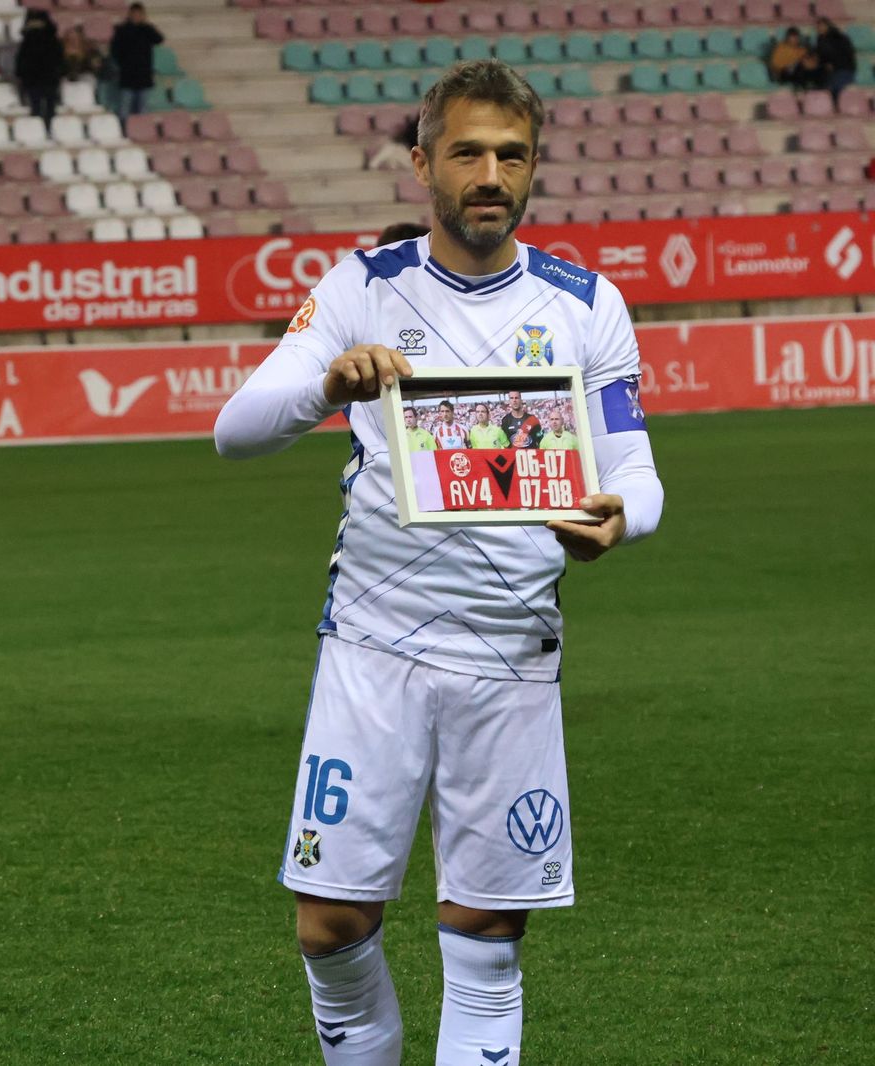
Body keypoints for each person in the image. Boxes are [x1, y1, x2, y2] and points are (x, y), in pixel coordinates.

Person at [213, 59, 664, 1065]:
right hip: (371, 644)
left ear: (536, 165)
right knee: (328, 921)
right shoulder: (359, 289)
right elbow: (232, 432)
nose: (490, 173)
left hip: (509, 652)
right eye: (467, 151)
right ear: (423, 163)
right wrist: (326, 384)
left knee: (486, 934)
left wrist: (619, 516)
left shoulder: (586, 304)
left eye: (511, 154)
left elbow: (634, 465)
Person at [108, 2, 163, 125]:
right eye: (135, 14)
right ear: (130, 14)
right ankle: (124, 130)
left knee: (142, 107)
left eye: (140, 14)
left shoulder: (147, 30)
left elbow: (159, 39)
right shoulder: (121, 30)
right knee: (125, 106)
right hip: (127, 74)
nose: (137, 16)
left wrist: (148, 26)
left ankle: (141, 129)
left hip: (143, 74)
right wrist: (122, 64)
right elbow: (115, 50)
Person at [15, 9, 63, 133]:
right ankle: (40, 131)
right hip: (36, 79)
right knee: (38, 106)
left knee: (47, 107)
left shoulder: (51, 40)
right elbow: (22, 60)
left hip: (46, 78)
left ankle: (48, 129)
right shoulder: (29, 40)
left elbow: (59, 58)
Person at [814, 17, 856, 101]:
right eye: (818, 26)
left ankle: (836, 105)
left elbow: (847, 55)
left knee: (834, 87)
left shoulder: (840, 38)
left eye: (822, 26)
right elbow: (821, 57)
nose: (819, 28)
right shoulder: (820, 39)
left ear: (828, 26)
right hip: (830, 71)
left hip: (844, 69)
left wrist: (833, 64)